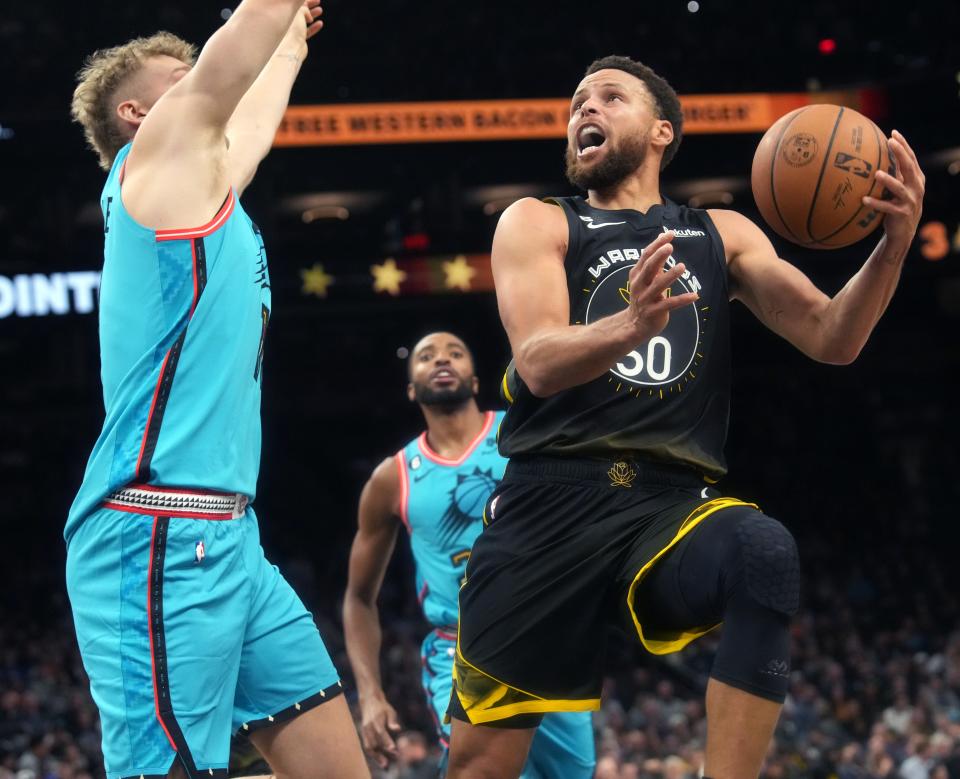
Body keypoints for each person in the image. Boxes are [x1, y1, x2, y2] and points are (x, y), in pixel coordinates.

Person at [446, 55, 925, 779]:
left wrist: (893, 246)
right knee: (481, 765)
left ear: (662, 130)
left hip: (665, 506)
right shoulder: (538, 221)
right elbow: (539, 361)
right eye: (577, 102)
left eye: (609, 97)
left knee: (763, 551)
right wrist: (629, 326)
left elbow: (833, 336)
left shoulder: (720, 234)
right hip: (547, 503)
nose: (585, 111)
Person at [65, 3, 369, 778]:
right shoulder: (154, 162)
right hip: (155, 532)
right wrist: (270, 21)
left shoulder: (208, 186)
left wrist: (292, 46)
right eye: (184, 76)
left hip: (231, 534)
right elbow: (235, 58)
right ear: (138, 112)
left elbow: (252, 119)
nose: (207, 82)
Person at [343, 332, 595, 777]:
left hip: (546, 637)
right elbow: (358, 599)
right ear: (411, 387)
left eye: (455, 353)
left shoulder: (525, 433)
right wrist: (370, 695)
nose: (442, 360)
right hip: (461, 650)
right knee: (480, 768)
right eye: (426, 356)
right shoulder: (392, 478)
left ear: (476, 381)